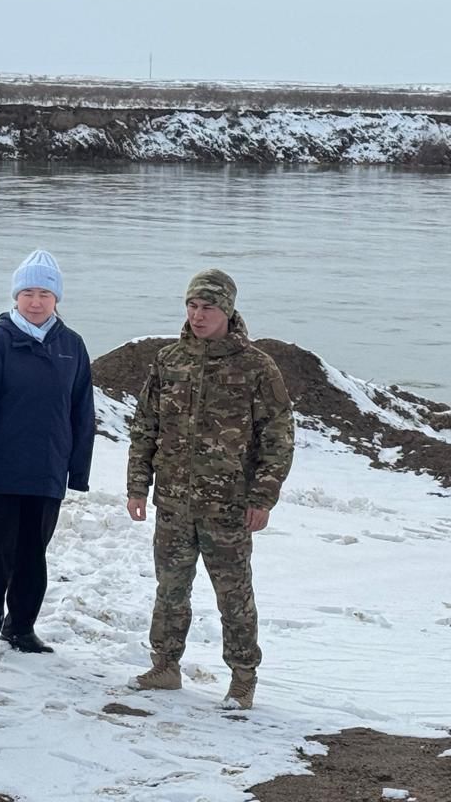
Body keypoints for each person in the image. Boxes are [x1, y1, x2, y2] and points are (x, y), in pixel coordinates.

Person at [126, 268, 294, 710]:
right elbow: (145, 427)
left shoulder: (257, 368)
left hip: (229, 507)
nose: (198, 316)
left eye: (209, 308)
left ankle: (242, 678)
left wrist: (263, 497)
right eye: (192, 306)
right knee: (170, 588)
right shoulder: (169, 361)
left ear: (229, 310)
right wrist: (137, 486)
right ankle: (165, 665)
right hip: (175, 503)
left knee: (234, 595)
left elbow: (278, 437)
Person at [0, 249, 95, 659]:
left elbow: (81, 412)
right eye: (28, 293)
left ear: (57, 299)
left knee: (32, 555)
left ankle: (20, 627)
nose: (35, 302)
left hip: (46, 472)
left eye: (44, 294)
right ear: (16, 297)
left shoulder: (71, 346)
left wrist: (77, 471)